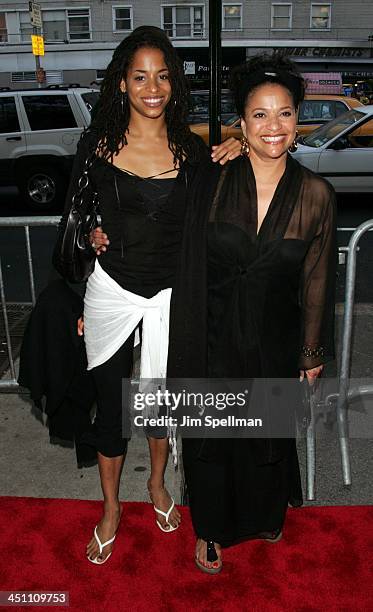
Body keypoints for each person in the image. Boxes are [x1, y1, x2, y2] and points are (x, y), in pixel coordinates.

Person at [53, 25, 240, 565]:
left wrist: (242, 142)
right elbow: (77, 217)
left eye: (162, 76)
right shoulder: (98, 145)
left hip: (169, 298)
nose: (152, 87)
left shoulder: (192, 149)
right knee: (111, 413)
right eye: (140, 76)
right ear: (122, 84)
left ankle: (157, 484)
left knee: (160, 409)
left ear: (174, 84)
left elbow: (239, 181)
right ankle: (110, 508)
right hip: (110, 291)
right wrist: (90, 238)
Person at [165, 53, 337, 573]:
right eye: (259, 115)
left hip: (274, 335)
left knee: (265, 433)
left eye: (284, 113)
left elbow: (317, 278)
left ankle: (264, 514)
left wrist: (310, 351)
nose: (273, 126)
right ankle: (211, 530)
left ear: (298, 119)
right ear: (240, 122)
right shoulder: (210, 180)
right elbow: (169, 235)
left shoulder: (316, 194)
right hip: (211, 331)